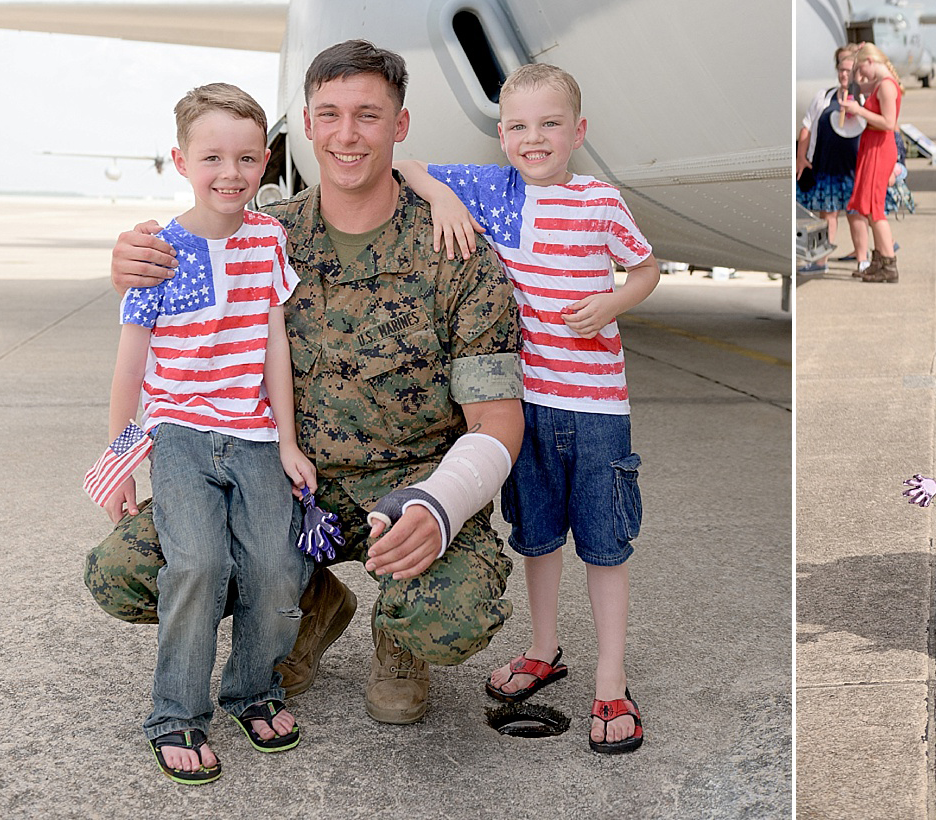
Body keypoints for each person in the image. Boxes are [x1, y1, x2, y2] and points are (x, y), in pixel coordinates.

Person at [88, 40, 526, 727]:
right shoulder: (265, 236)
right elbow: (181, 247)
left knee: (452, 616)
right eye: (330, 114)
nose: (347, 134)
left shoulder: (456, 252)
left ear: (400, 125)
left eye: (368, 115)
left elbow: (497, 422)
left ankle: (399, 638)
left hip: (404, 494)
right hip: (280, 486)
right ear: (308, 125)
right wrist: (133, 258)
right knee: (124, 573)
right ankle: (311, 599)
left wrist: (440, 506)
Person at [394, 61, 659, 754]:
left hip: (598, 407)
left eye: (549, 124)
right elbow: (409, 165)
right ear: (501, 134)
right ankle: (545, 650)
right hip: (526, 405)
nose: (532, 138)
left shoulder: (601, 201)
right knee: (536, 538)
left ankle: (610, 676)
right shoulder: (493, 189)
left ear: (578, 131)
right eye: (516, 126)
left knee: (604, 544)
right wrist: (444, 201)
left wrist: (614, 301)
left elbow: (645, 269)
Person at [95, 84, 311, 784]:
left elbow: (273, 341)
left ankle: (253, 690)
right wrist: (122, 457)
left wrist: (285, 439)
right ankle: (175, 714)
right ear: (180, 160)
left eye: (247, 158)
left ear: (266, 160)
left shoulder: (269, 239)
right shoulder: (159, 251)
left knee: (279, 569)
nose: (231, 173)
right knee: (196, 566)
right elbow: (130, 367)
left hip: (252, 435)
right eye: (212, 156)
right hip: (181, 435)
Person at [796, 45, 863, 272]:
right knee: (827, 216)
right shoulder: (823, 97)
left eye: (848, 70)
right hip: (827, 169)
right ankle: (820, 261)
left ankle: (862, 261)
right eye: (840, 70)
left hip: (854, 170)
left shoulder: (863, 99)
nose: (843, 74)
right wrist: (800, 157)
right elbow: (805, 128)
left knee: (856, 216)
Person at [842, 42, 903, 283]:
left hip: (880, 148)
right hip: (873, 147)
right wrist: (857, 55)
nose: (861, 75)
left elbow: (889, 123)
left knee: (875, 209)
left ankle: (888, 263)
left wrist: (859, 110)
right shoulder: (878, 83)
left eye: (862, 68)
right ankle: (880, 260)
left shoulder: (886, 86)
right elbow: (857, 83)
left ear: (871, 62)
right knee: (869, 208)